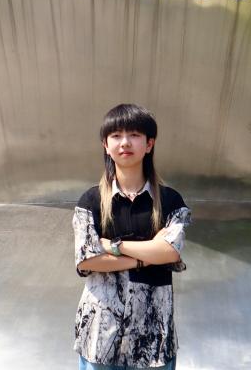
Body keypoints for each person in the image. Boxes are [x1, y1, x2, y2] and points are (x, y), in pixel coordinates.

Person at [73, 103, 192, 370]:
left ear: (149, 144)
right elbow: (87, 260)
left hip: (153, 338)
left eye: (134, 135)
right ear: (106, 145)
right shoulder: (91, 201)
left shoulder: (170, 201)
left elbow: (170, 251)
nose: (125, 142)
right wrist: (146, 256)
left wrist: (113, 246)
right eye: (116, 135)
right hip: (100, 336)